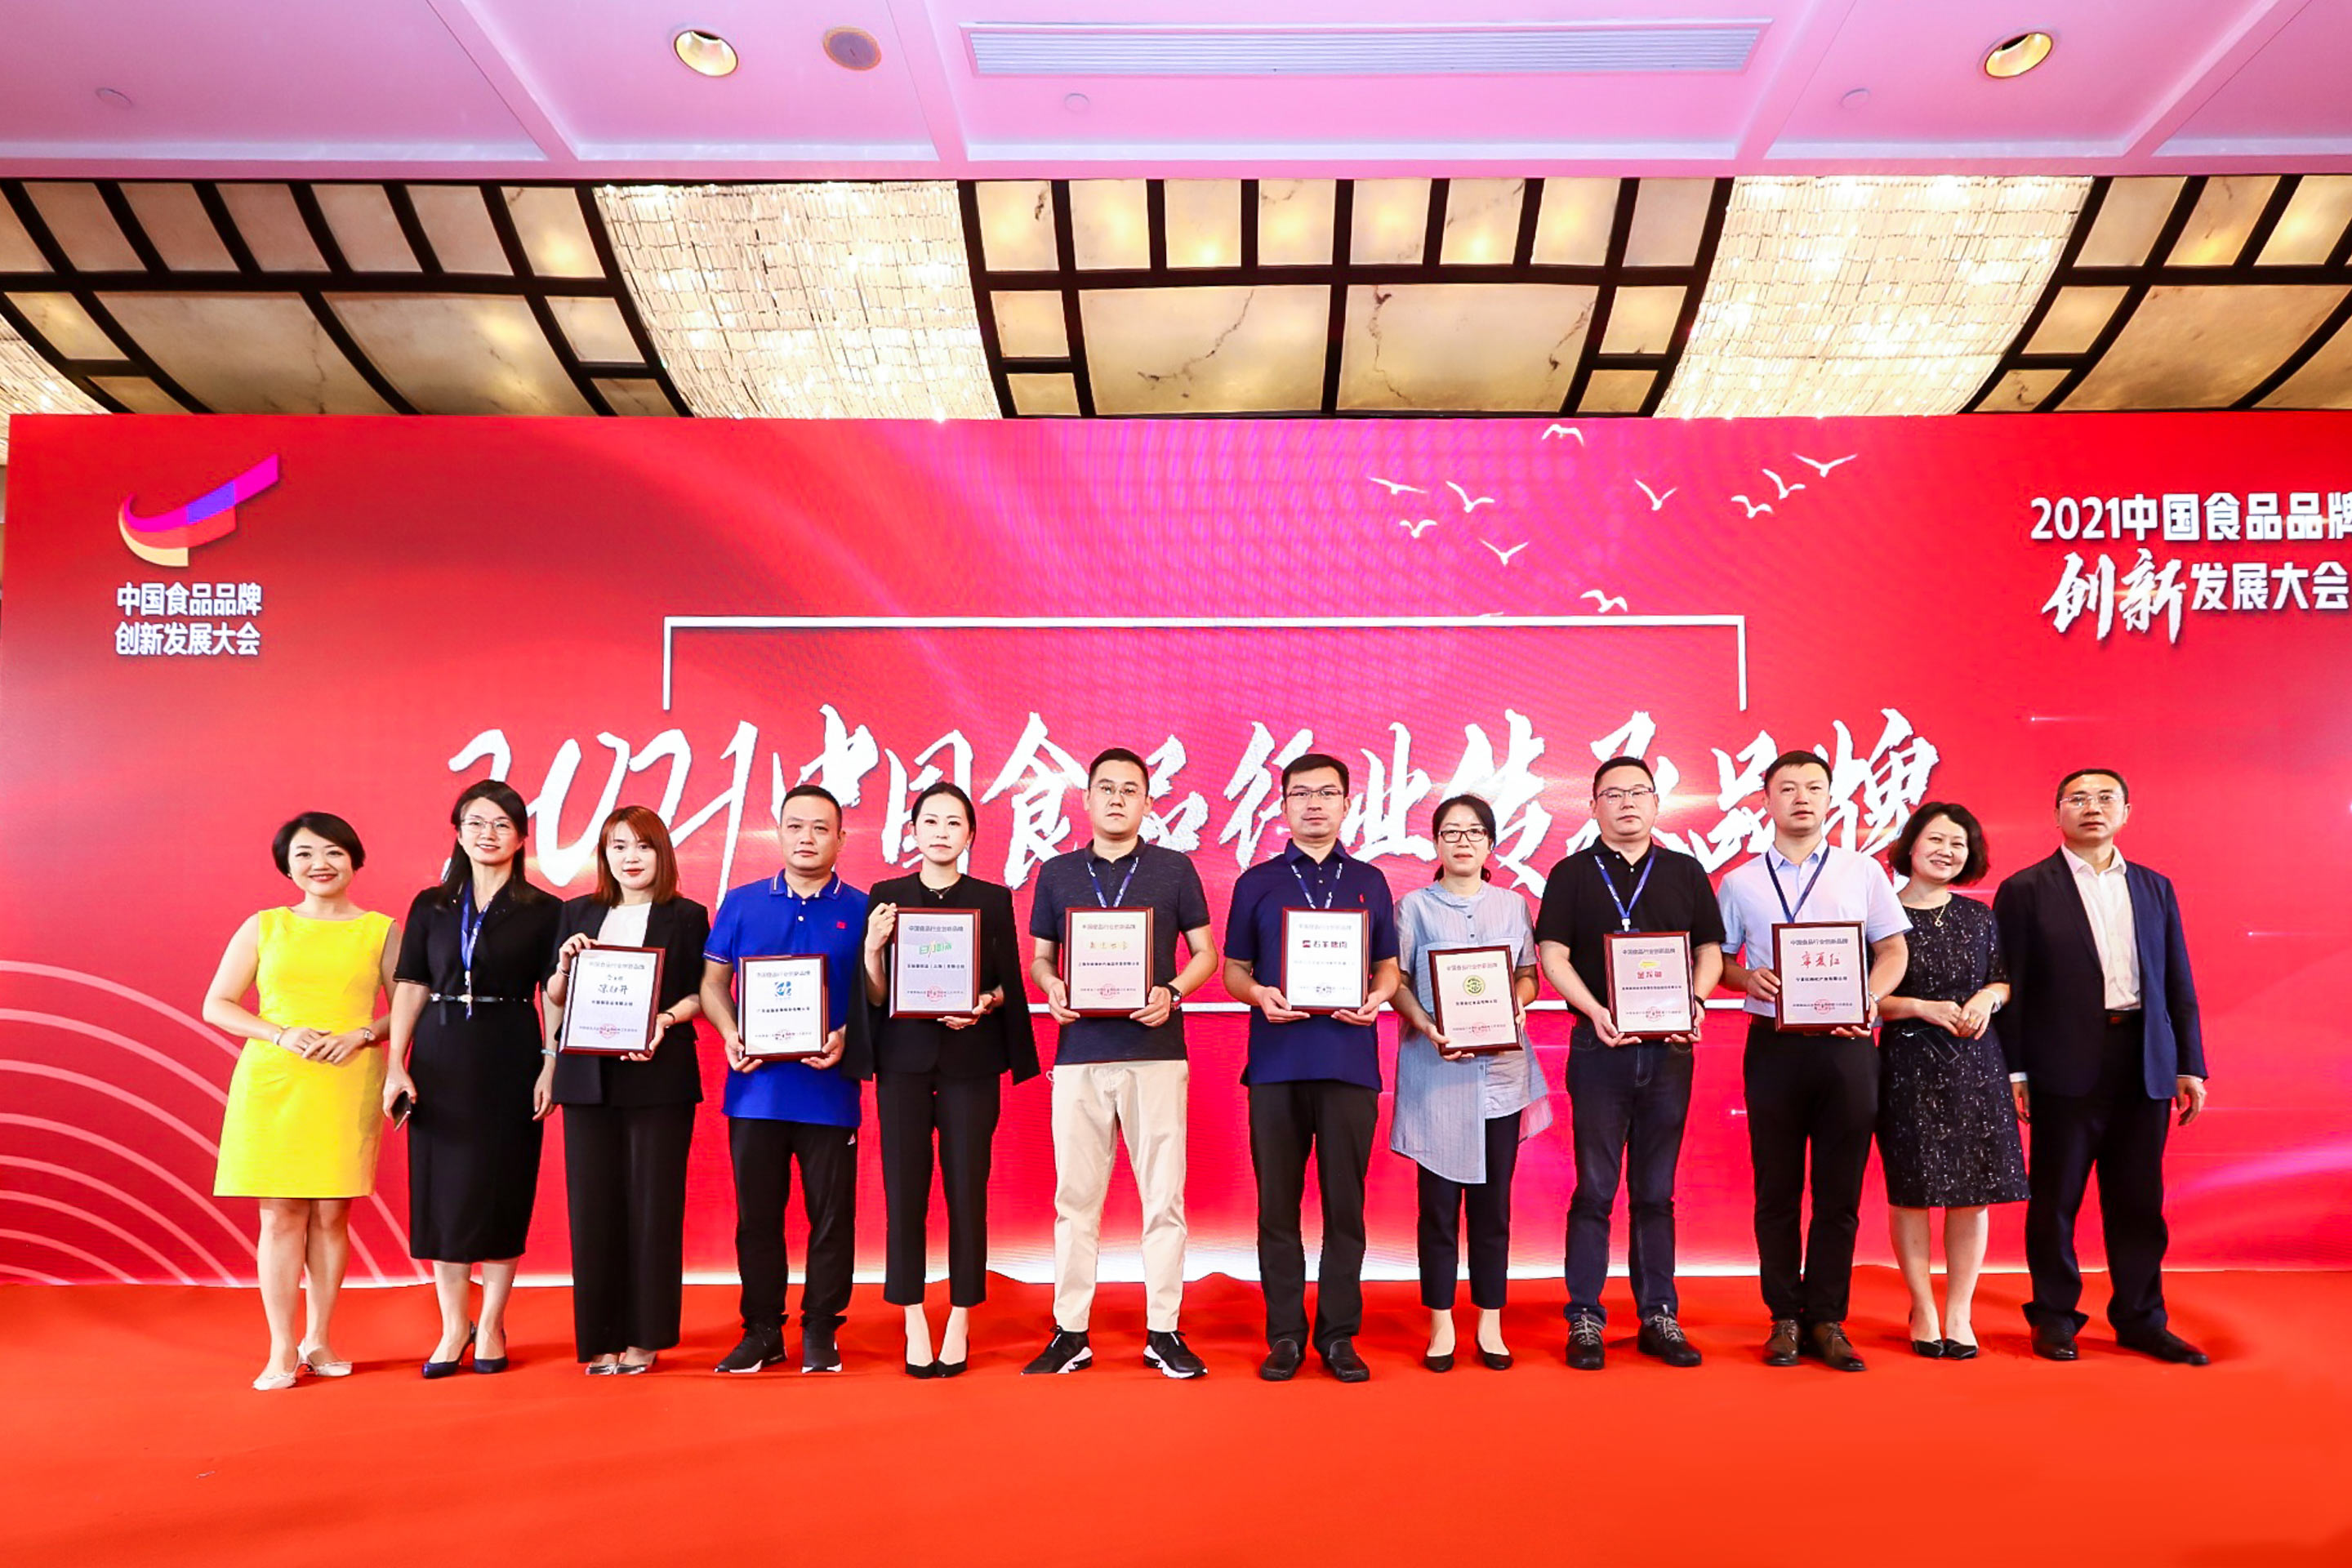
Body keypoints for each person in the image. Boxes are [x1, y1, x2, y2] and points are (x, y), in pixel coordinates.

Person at [1994, 768, 2209, 1365]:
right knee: (2056, 1199)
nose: (2093, 807)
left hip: (2143, 1059)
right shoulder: (2026, 888)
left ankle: (2141, 1319)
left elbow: (2177, 980)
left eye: (2106, 798)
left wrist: (2189, 1063)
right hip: (2061, 1064)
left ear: (2126, 812)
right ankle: (2054, 1317)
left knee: (2139, 1201)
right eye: (2078, 799)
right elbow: (2011, 985)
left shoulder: (2154, 887)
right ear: (2057, 813)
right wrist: (2015, 1071)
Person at [1021, 748, 1218, 1379]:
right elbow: (1040, 959)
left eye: (1130, 789)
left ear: (1148, 803)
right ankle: (1070, 1332)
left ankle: (1164, 1331)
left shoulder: (1173, 869)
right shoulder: (1057, 873)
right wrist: (1051, 986)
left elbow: (1206, 954)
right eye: (1105, 788)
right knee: (1074, 1199)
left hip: (1155, 1054)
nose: (1116, 798)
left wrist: (1174, 992)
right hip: (1080, 1055)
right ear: (1085, 799)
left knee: (1164, 1197)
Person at [1717, 750, 1909, 1372]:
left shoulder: (1863, 871)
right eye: (1788, 788)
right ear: (1766, 801)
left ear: (1831, 798)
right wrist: (1747, 977)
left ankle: (1827, 1317)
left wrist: (1870, 999)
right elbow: (1719, 961)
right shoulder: (1740, 882)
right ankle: (1783, 1317)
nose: (1802, 798)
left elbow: (1893, 950)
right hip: (1773, 1045)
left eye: (1814, 787)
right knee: (1775, 1188)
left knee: (1839, 1190)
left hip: (1847, 1043)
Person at [1535, 755, 1722, 1371]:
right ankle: (1585, 1318)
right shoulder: (1571, 873)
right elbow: (1553, 954)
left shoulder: (1684, 871)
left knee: (1656, 1191)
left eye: (1639, 792)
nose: (1627, 804)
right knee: (1594, 1188)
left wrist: (1696, 1002)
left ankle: (1658, 1315)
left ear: (1656, 803)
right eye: (1613, 795)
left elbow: (1710, 949)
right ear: (1593, 807)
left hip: (1669, 1053)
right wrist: (1593, 1010)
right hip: (1599, 1048)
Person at [849, 782, 1040, 1379]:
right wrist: (873, 948)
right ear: (912, 830)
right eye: (929, 821)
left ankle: (960, 1314)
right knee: (904, 1190)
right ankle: (912, 1314)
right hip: (903, 1063)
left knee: (967, 1189)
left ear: (970, 835)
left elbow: (1008, 982)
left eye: (953, 823)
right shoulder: (887, 896)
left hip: (970, 1062)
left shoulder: (992, 898)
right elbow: (875, 993)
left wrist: (985, 1001)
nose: (940, 832)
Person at [205, 812, 399, 1391]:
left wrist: (363, 1034)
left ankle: (320, 1337)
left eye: (334, 852)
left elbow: (409, 1009)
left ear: (354, 860)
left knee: (333, 1213)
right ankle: (281, 1347)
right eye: (305, 854)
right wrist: (280, 1033)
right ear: (287, 866)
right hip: (276, 1082)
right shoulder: (264, 926)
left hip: (346, 1078)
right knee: (281, 1213)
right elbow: (218, 1004)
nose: (321, 864)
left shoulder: (381, 930)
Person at [1224, 752, 1401, 1383]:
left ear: (1348, 804)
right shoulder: (1257, 881)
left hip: (1349, 1064)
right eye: (1302, 793)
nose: (1315, 804)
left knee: (1345, 1207)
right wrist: (1258, 995)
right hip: (1275, 1065)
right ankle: (1284, 1334)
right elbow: (1234, 971)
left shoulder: (1370, 881)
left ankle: (1338, 1334)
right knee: (1277, 1207)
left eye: (1327, 793)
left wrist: (1378, 997)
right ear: (1283, 805)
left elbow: (1388, 967)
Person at [383, 780, 562, 1378]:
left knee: (504, 1184)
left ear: (521, 838)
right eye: (476, 823)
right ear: (458, 832)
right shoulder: (431, 904)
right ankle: (452, 1325)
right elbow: (411, 984)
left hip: (510, 1048)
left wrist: (551, 1062)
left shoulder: (545, 909)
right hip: (439, 1054)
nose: (489, 834)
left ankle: (491, 1322)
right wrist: (396, 1063)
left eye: (502, 824)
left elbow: (553, 994)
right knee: (443, 1191)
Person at [699, 784, 867, 1376]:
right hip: (755, 1090)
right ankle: (763, 1330)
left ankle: (821, 1327)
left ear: (841, 839)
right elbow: (712, 985)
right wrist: (730, 1032)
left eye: (821, 828)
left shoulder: (865, 908)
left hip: (830, 1091)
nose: (807, 838)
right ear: (779, 833)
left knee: (831, 1218)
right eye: (795, 826)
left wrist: (846, 1034)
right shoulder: (742, 903)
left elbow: (875, 995)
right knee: (758, 1219)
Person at [544, 806, 710, 1376]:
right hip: (587, 1078)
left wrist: (663, 1019)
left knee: (654, 1206)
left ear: (662, 854)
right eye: (618, 846)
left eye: (643, 846)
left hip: (658, 1075)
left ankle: (646, 1335)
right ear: (604, 855)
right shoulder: (576, 912)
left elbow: (700, 994)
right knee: (593, 1208)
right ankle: (601, 1338)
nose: (630, 858)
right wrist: (564, 965)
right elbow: (555, 994)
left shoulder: (686, 916)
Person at [1388, 794, 1549, 1373]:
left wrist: (1519, 1002)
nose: (1463, 842)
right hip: (1436, 1073)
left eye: (1474, 832)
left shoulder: (1513, 905)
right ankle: (1440, 1322)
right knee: (1436, 1209)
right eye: (1451, 832)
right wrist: (1426, 1024)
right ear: (1435, 843)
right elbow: (1396, 981)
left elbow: (1527, 975)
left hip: (1501, 1077)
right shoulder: (1412, 908)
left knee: (1492, 1207)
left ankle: (1490, 1320)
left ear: (1491, 843)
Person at [1874, 803, 2025, 1361]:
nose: (1947, 851)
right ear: (1911, 846)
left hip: (1975, 1063)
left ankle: (1960, 1310)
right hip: (1908, 1064)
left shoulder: (1978, 916)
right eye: (1936, 839)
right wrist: (1920, 1006)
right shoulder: (1880, 914)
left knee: (1972, 1194)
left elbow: (2003, 981)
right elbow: (1864, 998)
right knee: (1912, 1192)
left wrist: (1987, 997)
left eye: (1958, 843)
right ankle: (1923, 1307)